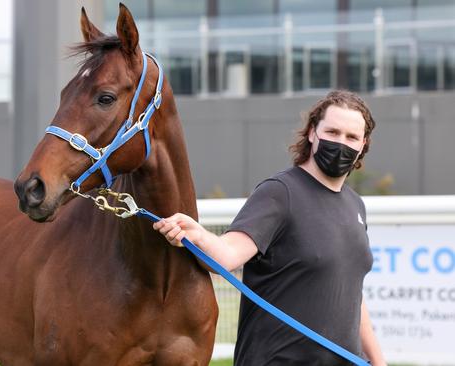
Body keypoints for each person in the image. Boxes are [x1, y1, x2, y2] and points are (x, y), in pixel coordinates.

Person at [153, 90, 387, 366]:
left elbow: (351, 295)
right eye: (332, 132)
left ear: (363, 145)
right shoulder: (280, 192)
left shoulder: (355, 205)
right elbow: (227, 256)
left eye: (351, 137)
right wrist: (198, 235)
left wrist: (378, 361)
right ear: (312, 133)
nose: (341, 143)